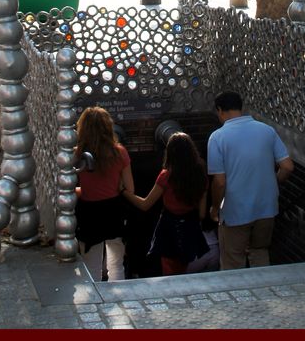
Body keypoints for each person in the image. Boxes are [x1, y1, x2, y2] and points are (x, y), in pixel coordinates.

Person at [207, 90, 293, 271]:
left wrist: (215, 208)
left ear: (220, 110)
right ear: (240, 107)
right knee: (260, 253)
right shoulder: (266, 130)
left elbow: (220, 182)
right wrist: (272, 183)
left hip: (234, 211)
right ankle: (263, 292)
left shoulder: (218, 137)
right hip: (267, 208)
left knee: (233, 261)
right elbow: (287, 167)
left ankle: (238, 298)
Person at [121, 132, 210, 276]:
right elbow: (201, 213)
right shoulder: (200, 173)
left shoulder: (167, 175)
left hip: (169, 226)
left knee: (169, 269)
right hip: (190, 225)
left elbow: (145, 205)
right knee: (185, 268)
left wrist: (124, 192)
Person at [74, 106, 134, 281]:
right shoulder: (119, 152)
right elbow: (130, 189)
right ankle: (120, 300)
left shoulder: (77, 155)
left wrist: (82, 191)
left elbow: (68, 187)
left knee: (92, 267)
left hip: (89, 214)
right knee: (116, 264)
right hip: (114, 211)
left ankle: (95, 302)